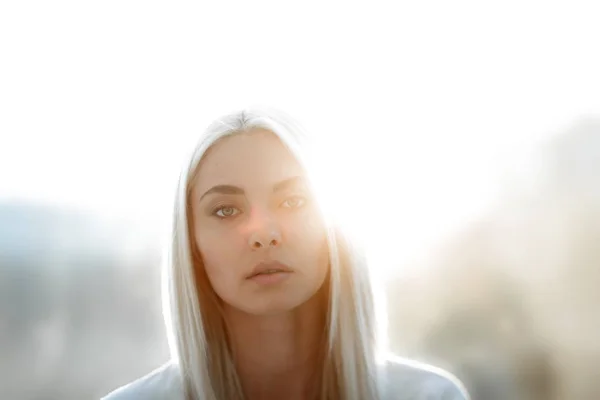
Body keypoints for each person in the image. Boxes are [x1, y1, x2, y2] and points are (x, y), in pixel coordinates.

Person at [101, 107, 470, 400]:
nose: (263, 232)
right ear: (192, 244)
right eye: (226, 210)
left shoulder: (429, 396)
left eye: (294, 200)